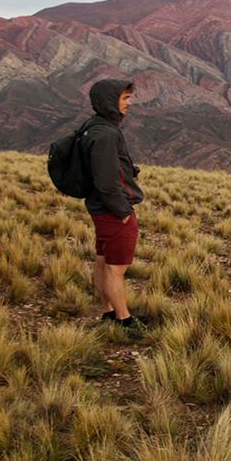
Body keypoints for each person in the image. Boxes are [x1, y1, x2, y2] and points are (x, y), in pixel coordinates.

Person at [82, 78, 146, 332]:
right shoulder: (106, 134)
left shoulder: (94, 126)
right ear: (110, 101)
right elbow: (106, 181)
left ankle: (108, 313)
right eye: (125, 98)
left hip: (100, 208)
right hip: (113, 210)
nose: (129, 102)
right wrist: (123, 212)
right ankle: (124, 321)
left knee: (103, 261)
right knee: (116, 268)